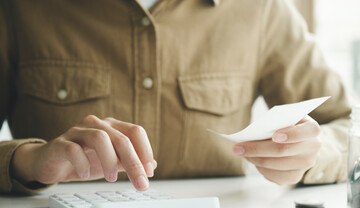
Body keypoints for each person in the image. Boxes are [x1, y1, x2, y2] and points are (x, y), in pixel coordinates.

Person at [0, 0, 354, 194]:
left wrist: (312, 153)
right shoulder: (19, 9)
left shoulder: (261, 9)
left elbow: (350, 124)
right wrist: (26, 161)